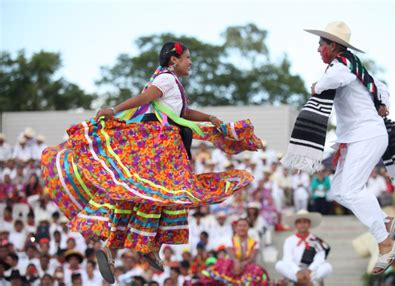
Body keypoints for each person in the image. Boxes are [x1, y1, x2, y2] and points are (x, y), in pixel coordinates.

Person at [41, 41, 262, 284]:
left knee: (149, 197)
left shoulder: (172, 82)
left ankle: (117, 248)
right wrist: (114, 110)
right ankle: (143, 246)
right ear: (173, 60)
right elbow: (146, 97)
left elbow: (183, 114)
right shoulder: (166, 79)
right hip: (162, 148)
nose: (190, 62)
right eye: (187, 57)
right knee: (160, 196)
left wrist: (209, 117)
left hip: (168, 148)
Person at [281, 21, 395, 275]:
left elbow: (332, 80)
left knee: (349, 189)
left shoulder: (342, 66)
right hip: (359, 137)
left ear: (333, 46)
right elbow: (382, 88)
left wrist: (315, 86)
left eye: (321, 44)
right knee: (338, 191)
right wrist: (384, 103)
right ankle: (387, 222)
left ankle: (385, 241)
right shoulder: (356, 67)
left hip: (365, 136)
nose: (317, 49)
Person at [204, 218, 269, 285]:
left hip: (247, 266)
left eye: (244, 225)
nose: (242, 228)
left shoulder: (254, 243)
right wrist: (236, 262)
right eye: (240, 225)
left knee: (257, 274)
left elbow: (252, 258)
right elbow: (231, 254)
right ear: (236, 228)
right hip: (232, 265)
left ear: (248, 227)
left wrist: (243, 264)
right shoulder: (230, 240)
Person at [275, 210, 331, 285]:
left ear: (309, 224)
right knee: (279, 265)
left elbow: (320, 258)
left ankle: (299, 281)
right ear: (296, 224)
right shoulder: (289, 240)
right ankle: (308, 282)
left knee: (327, 267)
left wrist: (310, 270)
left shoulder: (316, 240)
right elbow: (287, 259)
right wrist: (297, 271)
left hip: (311, 272)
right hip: (295, 271)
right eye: (299, 222)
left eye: (305, 222)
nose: (302, 224)